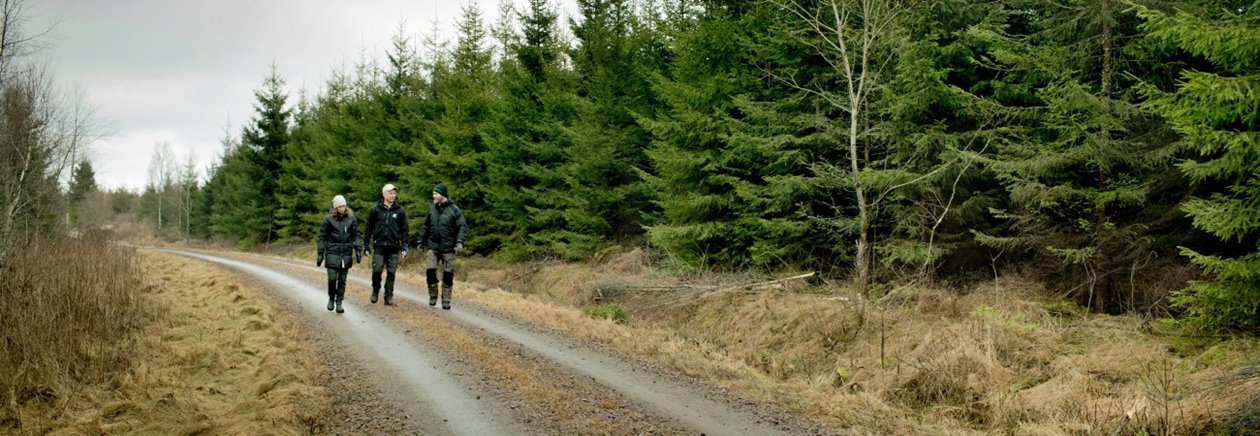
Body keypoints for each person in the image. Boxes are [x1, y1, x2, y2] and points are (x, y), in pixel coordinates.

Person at [416, 183, 467, 310]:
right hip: (433, 247)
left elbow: (462, 227)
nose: (433, 195)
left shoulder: (455, 210)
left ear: (442, 195)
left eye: (436, 193)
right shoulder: (432, 209)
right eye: (433, 193)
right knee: (430, 271)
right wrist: (420, 242)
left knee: (448, 275)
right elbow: (425, 226)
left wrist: (459, 242)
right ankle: (433, 297)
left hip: (449, 248)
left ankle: (446, 301)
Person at [364, 183, 409, 305]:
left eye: (394, 193)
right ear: (384, 194)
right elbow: (369, 228)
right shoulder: (375, 210)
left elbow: (404, 229)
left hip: (393, 247)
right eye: (390, 193)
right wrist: (366, 245)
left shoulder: (399, 210)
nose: (393, 195)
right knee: (377, 270)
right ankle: (375, 290)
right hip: (379, 246)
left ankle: (388, 297)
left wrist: (405, 245)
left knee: (391, 273)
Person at [317, 194, 362, 313]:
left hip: (346, 254)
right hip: (332, 253)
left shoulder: (351, 219)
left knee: (342, 280)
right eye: (340, 206)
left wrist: (358, 249)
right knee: (332, 279)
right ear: (335, 208)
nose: (342, 208)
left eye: (344, 206)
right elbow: (322, 237)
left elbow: (356, 235)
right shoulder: (328, 219)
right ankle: (331, 299)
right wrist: (320, 253)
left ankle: (339, 302)